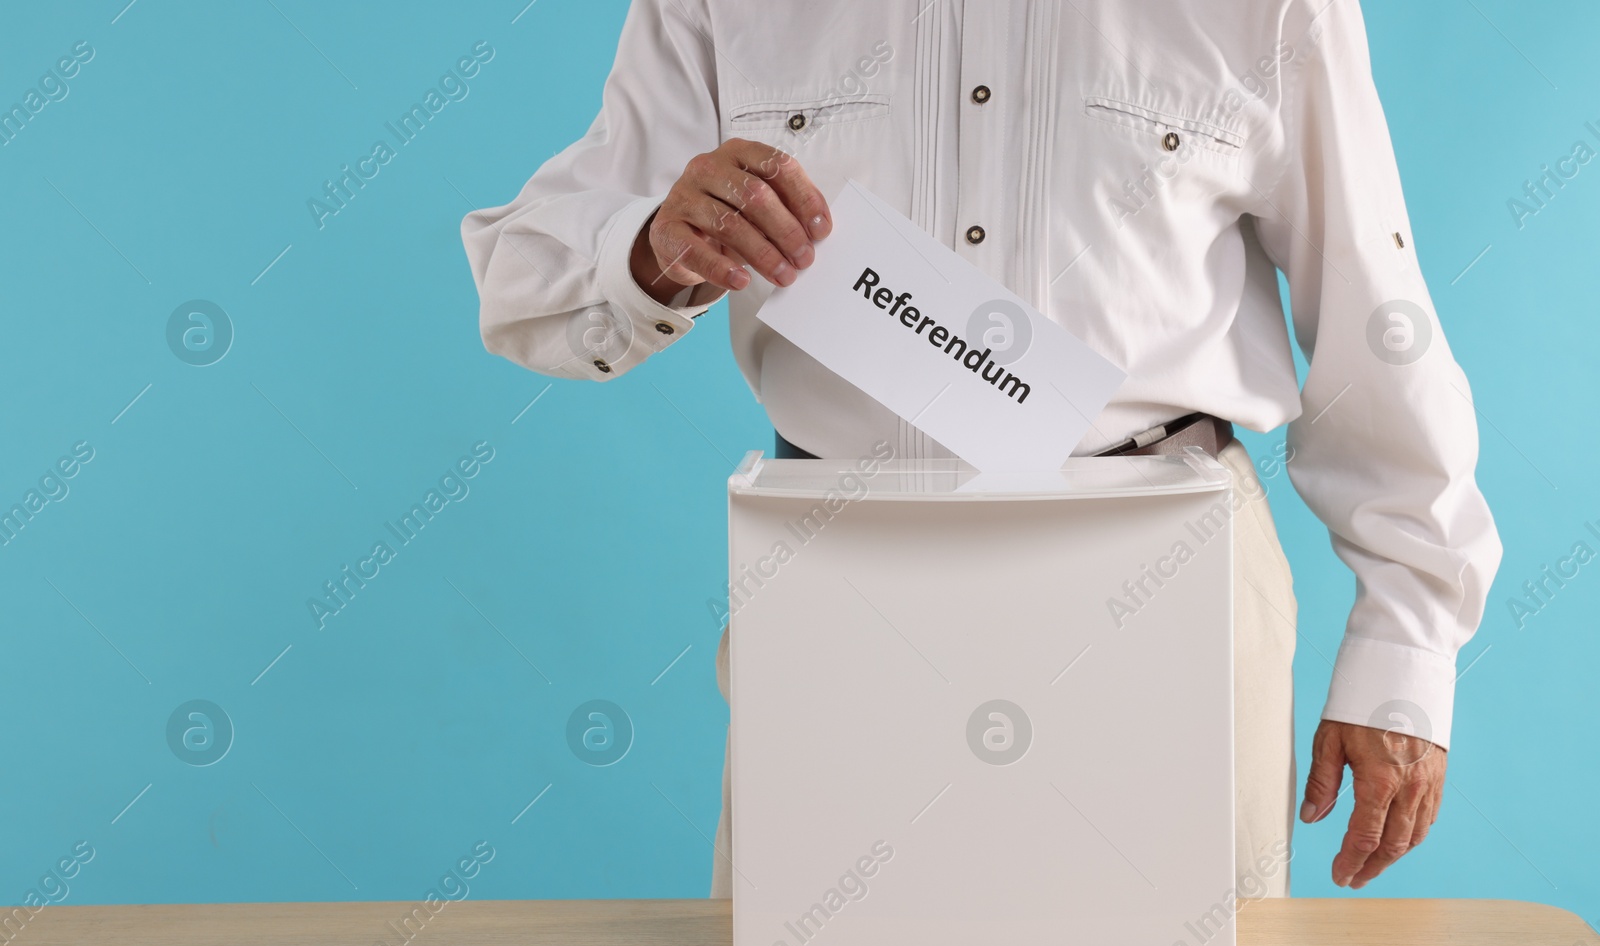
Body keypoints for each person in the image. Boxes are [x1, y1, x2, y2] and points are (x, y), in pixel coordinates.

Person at [460, 0, 1501, 898]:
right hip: (841, 586)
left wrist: (1403, 649)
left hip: (1168, 583)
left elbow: (1375, 320)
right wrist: (650, 244)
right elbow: (526, 274)